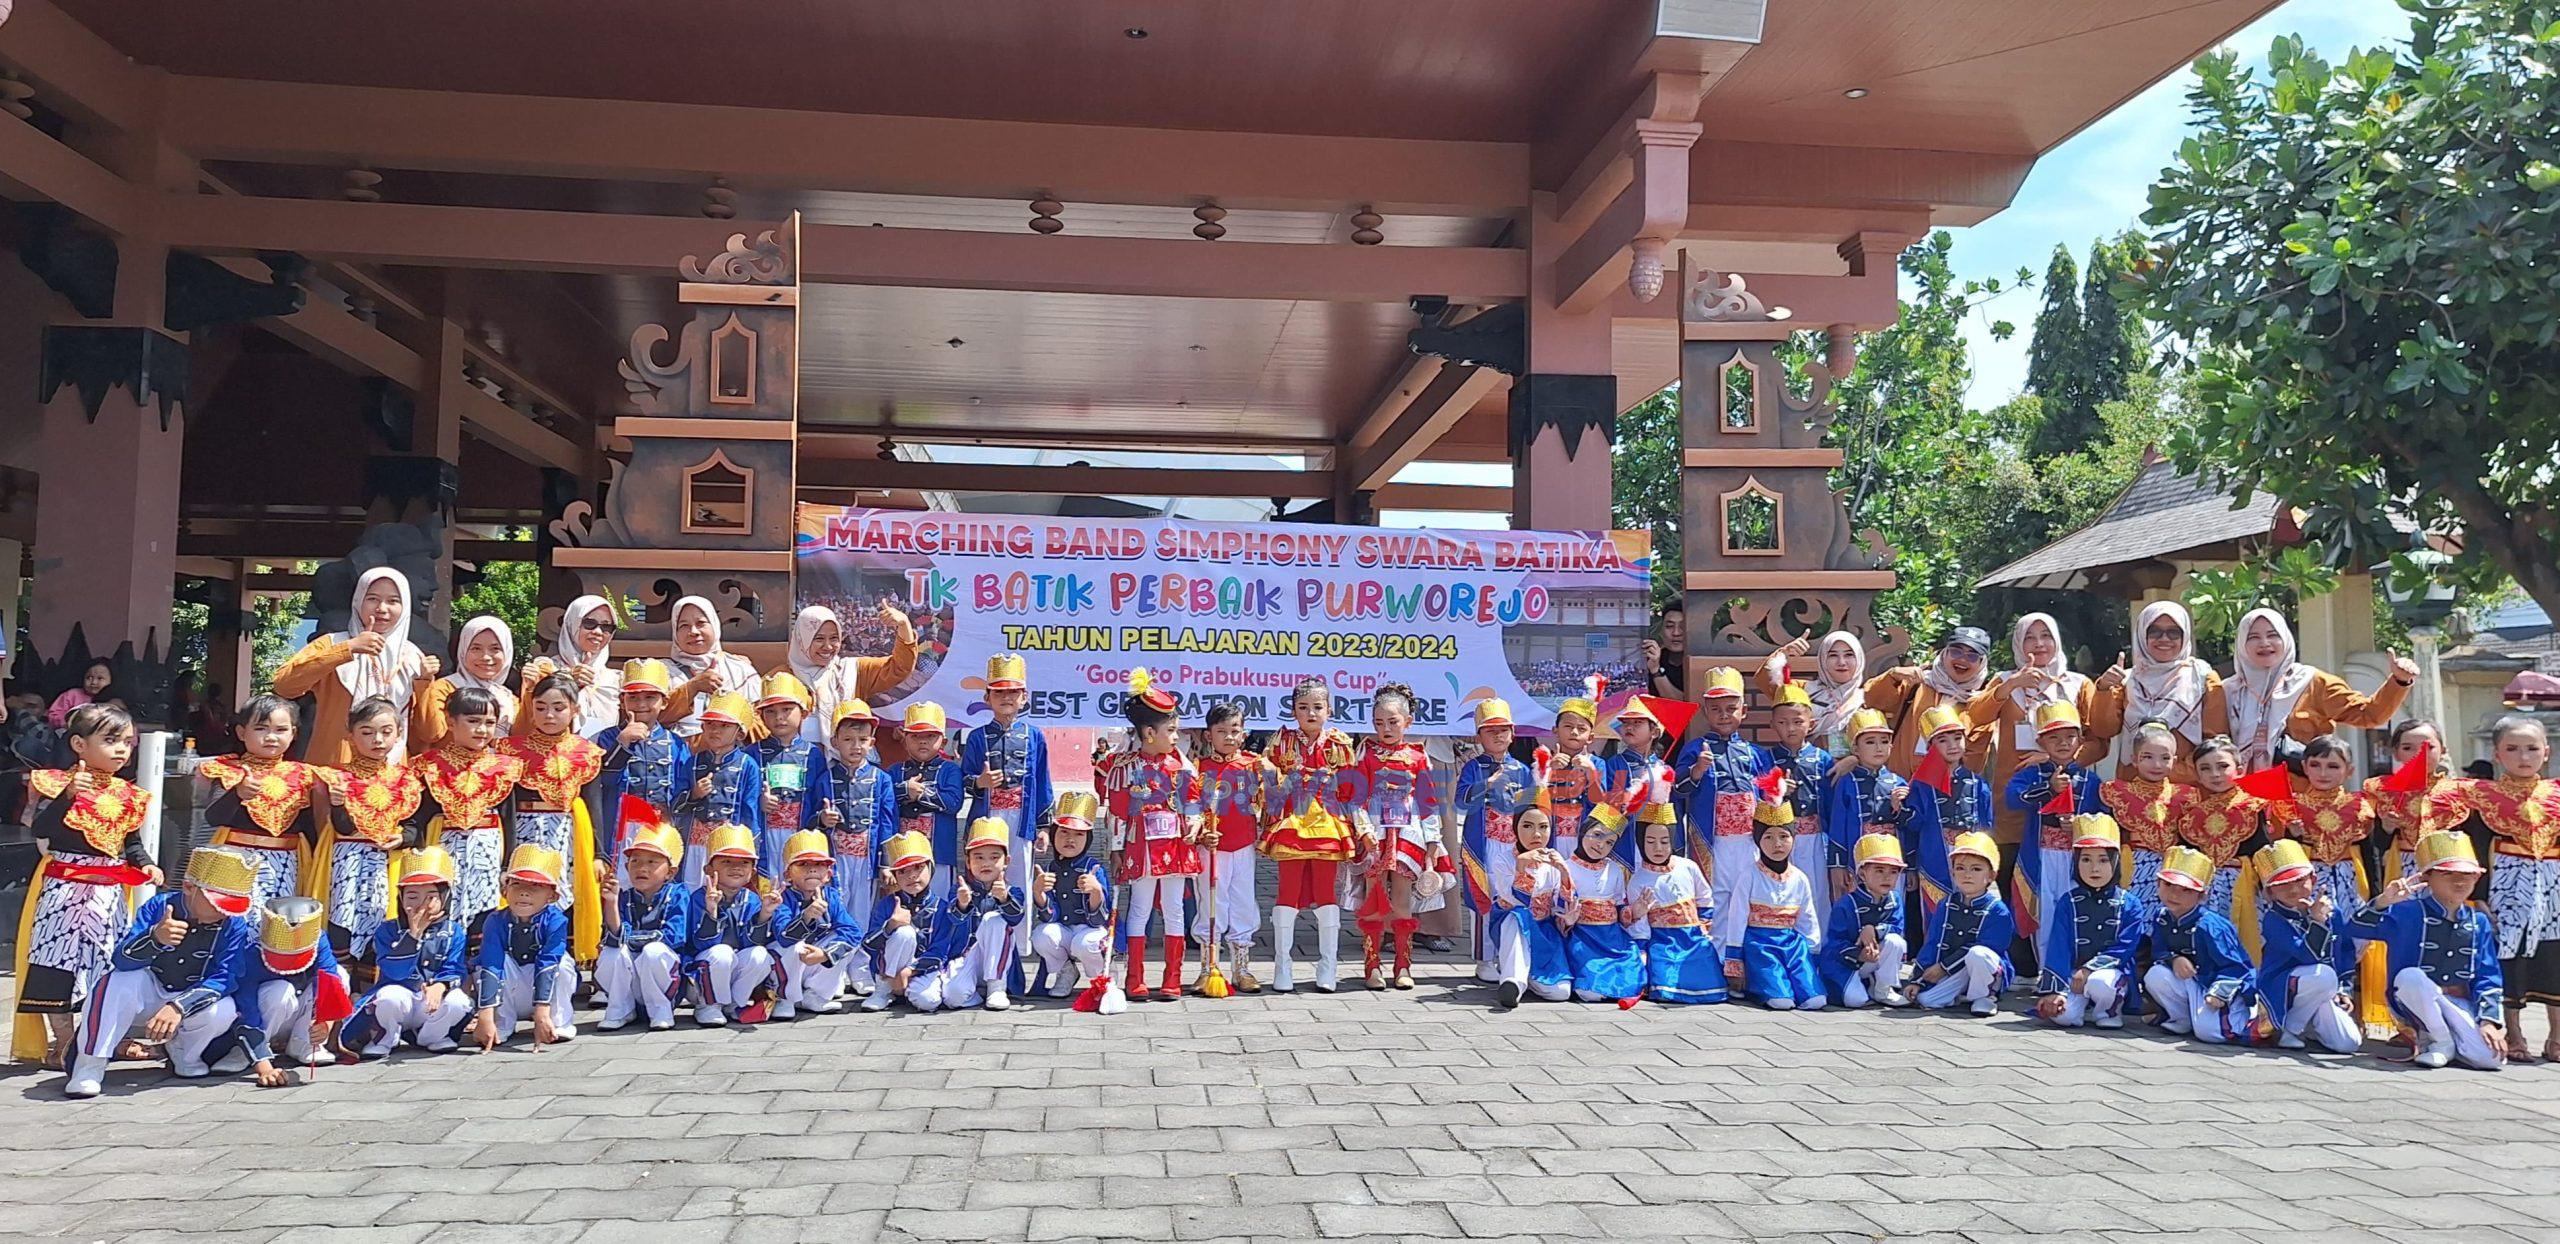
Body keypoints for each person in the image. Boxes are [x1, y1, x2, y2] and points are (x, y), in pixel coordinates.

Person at [11, 703, 163, 1070]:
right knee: (54, 963)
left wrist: (146, 864)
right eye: (110, 740)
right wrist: (66, 797)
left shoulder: (129, 795)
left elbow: (131, 843)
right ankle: (64, 1042)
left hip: (109, 894)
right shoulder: (55, 782)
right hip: (64, 888)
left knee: (111, 962)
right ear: (79, 744)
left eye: (127, 741)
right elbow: (42, 830)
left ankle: (109, 1035)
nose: (122, 749)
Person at [58, 847, 260, 1098]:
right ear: (188, 887)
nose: (223, 912)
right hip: (147, 994)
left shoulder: (234, 923)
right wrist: (155, 937)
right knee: (116, 981)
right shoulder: (159, 905)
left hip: (189, 1000)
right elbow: (121, 959)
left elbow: (224, 978)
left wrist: (178, 1007)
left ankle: (184, 1053)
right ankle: (89, 1066)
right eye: (216, 902)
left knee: (224, 1009)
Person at [2349, 832, 2505, 1069]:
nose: (2460, 882)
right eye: (2448, 874)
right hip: (2415, 998)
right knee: (2411, 977)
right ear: (2428, 878)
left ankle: (2449, 1040)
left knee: (2490, 1059)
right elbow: (2354, 927)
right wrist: (2382, 902)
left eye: (2467, 875)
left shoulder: (2478, 921)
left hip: (2457, 1002)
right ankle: (2440, 1041)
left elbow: (2488, 974)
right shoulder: (2408, 911)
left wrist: (2488, 1021)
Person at [2458, 716, 2560, 1064]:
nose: (2524, 756)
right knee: (2507, 958)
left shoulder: (2557, 794)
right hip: (2506, 886)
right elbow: (2475, 845)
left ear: (2546, 753)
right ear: (2498, 755)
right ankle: (2513, 1034)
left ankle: (2556, 1036)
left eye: (2532, 748)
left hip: (2553, 885)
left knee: (2554, 956)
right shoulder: (2482, 797)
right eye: (2512, 749)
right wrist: (2478, 894)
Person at [2281, 734, 2391, 1035]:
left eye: (2333, 766)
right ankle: (2303, 1010)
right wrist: (2292, 834)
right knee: (2308, 938)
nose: (2323, 773)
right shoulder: (2290, 805)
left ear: (2349, 770)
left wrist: (2378, 895)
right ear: (2304, 766)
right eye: (2315, 765)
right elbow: (2281, 853)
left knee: (2352, 942)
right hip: (2308, 881)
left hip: (2348, 879)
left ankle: (2345, 1007)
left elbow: (2373, 852)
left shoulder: (2361, 806)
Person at [273, 567, 440, 765]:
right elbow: (284, 686)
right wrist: (348, 649)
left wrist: (424, 683)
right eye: (372, 599)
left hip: (391, 776)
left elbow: (430, 733)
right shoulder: (333, 643)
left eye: (393, 601)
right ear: (357, 601)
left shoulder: (413, 657)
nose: (382, 608)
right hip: (334, 772)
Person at [1107, 669, 1204, 1001]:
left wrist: (1195, 821)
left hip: (1175, 845)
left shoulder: (1182, 766)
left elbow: (1194, 800)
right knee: (1140, 907)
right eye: (1171, 730)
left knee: (1175, 907)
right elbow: (1117, 812)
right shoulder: (1125, 766)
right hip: (1141, 846)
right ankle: (1135, 977)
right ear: (1149, 732)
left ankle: (1172, 978)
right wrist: (1115, 848)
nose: (1176, 737)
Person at [2226, 607, 2416, 773]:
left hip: (2304, 799)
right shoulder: (2228, 692)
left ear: (2286, 639)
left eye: (2273, 635)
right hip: (2240, 801)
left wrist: (2399, 680)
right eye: (2253, 637)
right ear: (2242, 644)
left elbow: (2368, 714)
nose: (2264, 643)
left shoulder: (2313, 683)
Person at [1968, 613, 2099, 853]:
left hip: (2067, 793)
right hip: (2015, 792)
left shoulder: (2078, 684)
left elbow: (2097, 741)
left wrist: (2059, 760)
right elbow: (1975, 716)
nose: (2039, 644)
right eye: (2030, 637)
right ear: (2018, 643)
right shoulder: (2005, 680)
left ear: (2057, 641)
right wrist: (2011, 686)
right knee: (2013, 869)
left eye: (2046, 636)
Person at [500, 674, 608, 965]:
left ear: (574, 709)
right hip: (525, 829)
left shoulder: (587, 753)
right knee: (524, 888)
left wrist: (599, 854)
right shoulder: (511, 751)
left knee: (563, 893)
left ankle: (560, 961)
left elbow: (594, 805)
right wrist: (506, 854)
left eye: (558, 707)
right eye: (541, 706)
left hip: (567, 833)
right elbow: (506, 808)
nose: (549, 715)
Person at [1261, 677, 1358, 993]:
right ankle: (1282, 967)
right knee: (1287, 891)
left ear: (1329, 709)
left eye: (1317, 707)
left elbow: (1351, 787)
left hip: (1327, 824)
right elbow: (1267, 777)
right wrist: (1284, 781)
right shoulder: (1281, 740)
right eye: (1303, 708)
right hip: (1292, 822)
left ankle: (1327, 967)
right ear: (1293, 711)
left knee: (1325, 891)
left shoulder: (1340, 743)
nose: (1311, 713)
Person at [960, 653, 1051, 986]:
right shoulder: (976, 737)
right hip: (988, 817)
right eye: (999, 692)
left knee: (1018, 878)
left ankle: (1018, 949)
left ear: (1024, 696)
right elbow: (962, 780)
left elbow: (1042, 782)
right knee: (984, 879)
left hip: (1021, 818)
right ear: (987, 698)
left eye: (1013, 692)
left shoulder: (1035, 736)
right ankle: (983, 944)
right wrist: (979, 783)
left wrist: (1042, 826)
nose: (1007, 698)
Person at [312, 697, 426, 959]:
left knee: (384, 917)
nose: (378, 740)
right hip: (347, 858)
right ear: (351, 736)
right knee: (342, 916)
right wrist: (338, 803)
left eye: (386, 732)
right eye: (367, 732)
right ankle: (341, 981)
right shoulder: (338, 776)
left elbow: (414, 827)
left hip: (388, 860)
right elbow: (342, 826)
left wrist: (400, 837)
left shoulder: (407, 780)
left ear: (398, 734)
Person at [408, 688, 526, 935]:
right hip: (443, 849)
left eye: (489, 723)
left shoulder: (504, 767)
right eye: (473, 721)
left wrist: (508, 866)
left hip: (488, 851)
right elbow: (420, 818)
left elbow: (509, 819)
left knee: (484, 918)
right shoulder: (430, 765)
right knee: (440, 912)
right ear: (450, 721)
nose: (482, 730)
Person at [339, 846, 473, 1057]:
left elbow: (455, 967)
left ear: (444, 897)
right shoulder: (387, 931)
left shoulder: (453, 931)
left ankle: (431, 1036)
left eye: (430, 897)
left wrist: (441, 985)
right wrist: (413, 935)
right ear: (401, 899)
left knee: (458, 1002)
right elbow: (395, 972)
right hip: (401, 1000)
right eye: (412, 896)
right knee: (390, 997)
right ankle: (385, 1037)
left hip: (431, 1004)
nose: (420, 904)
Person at [1353, 683, 1443, 991]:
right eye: (1379, 723)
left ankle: (1403, 966)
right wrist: (1364, 830)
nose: (1386, 728)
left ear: (1408, 722)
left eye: (1393, 722)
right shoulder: (1365, 753)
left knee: (1403, 903)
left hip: (1407, 835)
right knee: (1374, 901)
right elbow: (1356, 797)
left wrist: (1432, 844)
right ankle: (1372, 967)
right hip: (1375, 834)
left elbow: (1428, 802)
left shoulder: (1418, 756)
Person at [195, 693, 323, 910]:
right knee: (236, 923)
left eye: (280, 730)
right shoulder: (229, 770)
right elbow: (213, 817)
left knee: (277, 922)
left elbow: (309, 827)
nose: (271, 737)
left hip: (286, 863)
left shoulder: (304, 775)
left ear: (294, 733)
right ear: (242, 732)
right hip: (236, 859)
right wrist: (238, 793)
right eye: (261, 728)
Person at [1672, 667, 1776, 926]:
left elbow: (1769, 795)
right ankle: (1715, 957)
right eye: (1716, 709)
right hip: (1712, 839)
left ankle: (1746, 953)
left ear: (1744, 711)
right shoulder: (1695, 748)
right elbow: (1678, 791)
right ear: (1705, 711)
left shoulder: (1756, 753)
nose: (1724, 715)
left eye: (1731, 708)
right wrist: (1697, 770)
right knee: (1714, 898)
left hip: (1749, 840)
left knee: (1750, 895)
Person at [2005, 702, 2107, 953]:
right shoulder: (2032, 774)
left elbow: (2103, 820)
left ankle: (2071, 970)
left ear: (2080, 740)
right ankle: (2046, 971)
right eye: (2054, 737)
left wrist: (2079, 827)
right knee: (2044, 911)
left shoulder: (2090, 779)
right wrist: (2048, 788)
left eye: (2070, 737)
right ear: (2041, 742)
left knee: (2074, 909)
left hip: (2076, 858)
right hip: (2041, 855)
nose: (2063, 743)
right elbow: (2012, 799)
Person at [213, 896, 348, 1077]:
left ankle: (304, 1042)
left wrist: (325, 1022)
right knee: (280, 990)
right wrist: (258, 1055)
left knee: (341, 974)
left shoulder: (319, 938)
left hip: (299, 1008)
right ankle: (248, 1050)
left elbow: (329, 980)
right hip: (267, 1012)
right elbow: (246, 1002)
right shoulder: (250, 948)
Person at [2091, 602, 2228, 780]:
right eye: (2154, 631)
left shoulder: (2202, 677)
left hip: (2187, 788)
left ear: (2185, 636)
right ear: (2142, 635)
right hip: (2134, 786)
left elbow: (2215, 740)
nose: (2164, 639)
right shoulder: (2126, 680)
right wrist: (2103, 689)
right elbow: (2103, 730)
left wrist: (2175, 772)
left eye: (2173, 632)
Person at [1194, 702, 1276, 994]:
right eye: (1221, 731)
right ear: (1208, 735)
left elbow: (1274, 798)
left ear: (1243, 734)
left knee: (1243, 902)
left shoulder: (1253, 765)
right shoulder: (1198, 768)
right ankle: (1208, 968)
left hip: (1243, 845)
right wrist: (1202, 834)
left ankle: (1242, 968)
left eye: (1234, 731)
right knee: (1211, 904)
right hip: (1211, 847)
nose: (1228, 737)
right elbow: (1189, 809)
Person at [2251, 839, 2362, 1053]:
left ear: (2313, 878)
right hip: (2283, 989)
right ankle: (2288, 1029)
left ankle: (2308, 1024)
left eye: (2300, 881)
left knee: (2348, 1043)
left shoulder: (2333, 910)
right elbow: (2307, 956)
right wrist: (2317, 922)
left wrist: (2344, 989)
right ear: (2270, 892)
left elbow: (2344, 951)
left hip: (2324, 987)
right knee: (2323, 975)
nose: (2293, 889)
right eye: (2283, 885)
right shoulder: (2273, 920)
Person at [2033, 816, 2143, 1029]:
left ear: (2116, 862)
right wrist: (2053, 991)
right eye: (2086, 860)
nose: (2094, 869)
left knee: (2101, 983)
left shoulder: (2130, 903)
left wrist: (2089, 969)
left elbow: (2125, 948)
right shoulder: (2068, 901)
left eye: (2103, 860)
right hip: (2073, 977)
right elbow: (2059, 946)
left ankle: (2108, 1010)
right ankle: (2077, 1005)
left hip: (2109, 974)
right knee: (2062, 1016)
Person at [1457, 699, 1538, 983]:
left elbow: (1530, 807)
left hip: (1513, 845)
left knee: (1512, 897)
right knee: (1483, 899)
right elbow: (1460, 800)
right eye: (1490, 731)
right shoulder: (1473, 767)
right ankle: (1483, 958)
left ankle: (1509, 955)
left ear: (1513, 733)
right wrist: (1487, 784)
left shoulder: (1522, 769)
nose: (1498, 736)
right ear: (1479, 736)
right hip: (1483, 844)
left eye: (1503, 730)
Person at [2144, 845, 2259, 1045]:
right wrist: (2174, 959)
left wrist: (2219, 993)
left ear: (2202, 895)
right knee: (2155, 975)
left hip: (2219, 984)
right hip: (2194, 981)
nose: (2175, 895)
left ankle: (2249, 1019)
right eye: (2168, 885)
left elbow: (2235, 967)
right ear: (2157, 884)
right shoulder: (2161, 917)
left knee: (2210, 1034)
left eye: (2186, 890)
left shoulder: (2211, 926)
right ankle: (2182, 1018)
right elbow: (2158, 949)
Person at [816, 699, 896, 978]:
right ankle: (833, 973)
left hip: (865, 858)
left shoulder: (881, 779)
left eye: (862, 739)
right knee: (836, 912)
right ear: (835, 741)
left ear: (872, 742)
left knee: (862, 913)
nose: (855, 746)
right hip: (835, 858)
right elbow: (811, 820)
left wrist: (886, 864)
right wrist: (822, 821)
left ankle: (861, 971)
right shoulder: (824, 778)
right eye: (848, 739)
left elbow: (887, 823)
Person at [469, 844, 578, 1049]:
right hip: (511, 991)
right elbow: (492, 964)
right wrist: (485, 1014)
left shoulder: (556, 921)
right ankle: (501, 1022)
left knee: (562, 964)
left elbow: (548, 962)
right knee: (488, 964)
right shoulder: (494, 920)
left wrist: (541, 1011)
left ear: (552, 896)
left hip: (543, 991)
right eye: (517, 884)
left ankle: (559, 1020)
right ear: (505, 890)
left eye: (535, 887)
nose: (524, 893)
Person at [1721, 800, 1825, 1011]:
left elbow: (1808, 919)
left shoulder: (1799, 878)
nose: (1777, 844)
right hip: (1760, 946)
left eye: (1784, 836)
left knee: (1816, 1000)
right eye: (1768, 837)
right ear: (1758, 841)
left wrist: (1812, 953)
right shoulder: (1749, 876)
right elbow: (1737, 919)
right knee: (1781, 1002)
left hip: (1793, 945)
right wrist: (1735, 963)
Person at [593, 812, 691, 1031]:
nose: (641, 868)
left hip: (663, 979)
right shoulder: (624, 897)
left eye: (651, 862)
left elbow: (673, 937)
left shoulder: (678, 894)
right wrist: (610, 903)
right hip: (630, 980)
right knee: (610, 953)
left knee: (654, 951)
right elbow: (614, 938)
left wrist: (631, 939)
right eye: (635, 861)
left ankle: (661, 1010)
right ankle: (620, 1008)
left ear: (670, 872)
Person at [1855, 626, 1994, 778]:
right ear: (1944, 653)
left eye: (1972, 656)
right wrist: (1892, 676)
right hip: (1898, 785)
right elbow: (1872, 701)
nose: (1962, 659)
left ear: (1982, 663)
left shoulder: (1980, 704)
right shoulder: (1916, 683)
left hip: (1942, 794)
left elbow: (1974, 761)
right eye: (1956, 651)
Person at [595, 658, 691, 872]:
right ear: (622, 700)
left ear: (664, 702)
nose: (641, 705)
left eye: (650, 697)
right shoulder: (607, 738)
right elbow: (602, 782)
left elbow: (682, 789)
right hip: (619, 827)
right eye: (634, 697)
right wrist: (622, 744)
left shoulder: (675, 743)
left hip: (660, 828)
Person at [785, 600, 921, 747]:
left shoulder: (852, 671)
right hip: (799, 765)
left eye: (834, 638)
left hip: (847, 765)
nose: (828, 646)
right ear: (801, 640)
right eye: (818, 639)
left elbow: (900, 667)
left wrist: (903, 625)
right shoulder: (783, 679)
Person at [2099, 722, 2193, 931]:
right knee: (2131, 922)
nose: (2157, 764)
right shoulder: (2119, 792)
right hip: (2134, 865)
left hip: (2172, 868)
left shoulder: (2186, 795)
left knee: (2168, 924)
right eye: (2148, 757)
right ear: (2134, 759)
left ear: (2174, 760)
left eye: (2165, 758)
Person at [1904, 703, 1994, 920]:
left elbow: (1986, 827)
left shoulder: (1977, 783)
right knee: (1936, 917)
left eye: (1957, 738)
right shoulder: (1921, 785)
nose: (1952, 745)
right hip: (1934, 855)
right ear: (1930, 747)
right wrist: (1902, 809)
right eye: (1942, 740)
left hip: (1969, 856)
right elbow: (1913, 828)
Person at [1628, 805, 1724, 1004]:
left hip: (1693, 937)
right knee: (1664, 986)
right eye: (1650, 841)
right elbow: (1641, 928)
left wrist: (1704, 929)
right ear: (1640, 842)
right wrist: (1642, 952)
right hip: (1663, 942)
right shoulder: (1638, 880)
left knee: (1707, 965)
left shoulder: (1688, 866)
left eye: (1664, 841)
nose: (1658, 848)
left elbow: (1705, 898)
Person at [1915, 832, 2016, 1015]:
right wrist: (1918, 979)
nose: (1967, 875)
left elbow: (1990, 947)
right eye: (1960, 868)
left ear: (1991, 875)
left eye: (1976, 869)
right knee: (1925, 999)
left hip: (1985, 968)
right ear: (1952, 872)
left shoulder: (1998, 910)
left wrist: (1943, 967)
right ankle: (1962, 992)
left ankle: (1985, 995)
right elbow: (1932, 942)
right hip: (1956, 969)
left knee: (1978, 954)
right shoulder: (1945, 904)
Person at [687, 823, 777, 1026]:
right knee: (721, 952)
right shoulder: (698, 897)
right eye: (726, 861)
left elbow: (752, 942)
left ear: (752, 870)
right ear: (709, 869)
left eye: (744, 862)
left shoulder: (752, 899)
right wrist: (712, 910)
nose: (736, 867)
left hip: (733, 971)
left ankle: (734, 1004)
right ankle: (708, 1005)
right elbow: (701, 944)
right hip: (700, 976)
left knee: (760, 955)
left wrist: (765, 913)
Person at [936, 817, 1029, 1011]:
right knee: (953, 997)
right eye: (978, 857)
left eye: (994, 857)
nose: (986, 863)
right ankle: (977, 993)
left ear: (1006, 862)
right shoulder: (960, 890)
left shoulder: (1013, 891)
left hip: (1000, 962)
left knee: (994, 919)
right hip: (967, 956)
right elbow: (952, 919)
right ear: (968, 862)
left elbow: (1016, 918)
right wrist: (962, 903)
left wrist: (1003, 898)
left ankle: (996, 986)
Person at [769, 830, 864, 1019]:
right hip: (781, 969)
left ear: (828, 874)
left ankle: (815, 994)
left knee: (847, 942)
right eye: (803, 864)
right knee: (793, 945)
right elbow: (783, 937)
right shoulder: (782, 898)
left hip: (814, 962)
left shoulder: (831, 897)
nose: (812, 870)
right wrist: (806, 917)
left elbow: (853, 932)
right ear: (788, 874)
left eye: (819, 865)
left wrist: (825, 954)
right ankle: (785, 998)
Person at [2175, 737, 2269, 924]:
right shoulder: (2193, 814)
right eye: (2206, 769)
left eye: (2222, 766)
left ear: (2239, 770)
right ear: (2198, 776)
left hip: (2245, 883)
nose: (2215, 774)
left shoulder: (2252, 805)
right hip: (2207, 885)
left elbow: (2262, 849)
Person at [1488, 807, 1573, 1010]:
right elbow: (1515, 898)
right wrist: (1520, 867)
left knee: (1560, 992)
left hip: (1543, 932)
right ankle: (1513, 981)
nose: (1536, 834)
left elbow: (1560, 907)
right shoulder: (1503, 859)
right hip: (1512, 925)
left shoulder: (1554, 861)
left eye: (1543, 827)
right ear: (1515, 829)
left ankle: (1528, 976)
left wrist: (1563, 873)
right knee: (1517, 916)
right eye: (1527, 826)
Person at [1031, 792, 1114, 998]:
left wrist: (1095, 891)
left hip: (1089, 933)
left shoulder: (1093, 868)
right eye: (1064, 832)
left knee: (1084, 943)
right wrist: (1038, 892)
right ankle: (1066, 971)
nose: (1070, 839)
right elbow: (1050, 917)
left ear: (1087, 839)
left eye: (1078, 834)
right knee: (1041, 935)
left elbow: (1101, 920)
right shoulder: (1050, 868)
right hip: (1065, 932)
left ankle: (1101, 980)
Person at [1557, 805, 1643, 1004]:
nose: (1600, 845)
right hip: (1582, 938)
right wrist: (1567, 922)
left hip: (1613, 939)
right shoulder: (1566, 868)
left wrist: (1634, 912)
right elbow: (1557, 911)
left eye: (1609, 842)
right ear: (1583, 831)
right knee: (1590, 991)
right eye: (1596, 835)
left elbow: (1620, 906)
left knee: (1632, 972)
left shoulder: (1614, 869)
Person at [680, 692, 766, 888]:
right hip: (694, 843)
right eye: (710, 724)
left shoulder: (748, 765)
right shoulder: (693, 762)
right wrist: (694, 795)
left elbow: (750, 810)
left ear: (740, 733)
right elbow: (677, 806)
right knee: (692, 886)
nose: (715, 731)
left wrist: (750, 848)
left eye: (724, 726)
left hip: (728, 845)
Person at [1823, 708, 1908, 905]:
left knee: (1893, 906)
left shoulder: (1899, 783)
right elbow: (1838, 827)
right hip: (1858, 859)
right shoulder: (1847, 782)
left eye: (1884, 741)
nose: (1879, 748)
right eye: (1870, 742)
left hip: (1892, 858)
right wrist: (1838, 865)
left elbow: (1908, 830)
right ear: (1855, 749)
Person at [752, 673, 835, 877]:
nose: (779, 717)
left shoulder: (814, 755)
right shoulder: (752, 754)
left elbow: (818, 800)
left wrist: (821, 818)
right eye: (770, 711)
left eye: (787, 710)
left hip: (800, 834)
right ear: (761, 716)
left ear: (804, 713)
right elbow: (742, 797)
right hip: (765, 836)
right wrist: (758, 802)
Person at [1820, 832, 1910, 1008]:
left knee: (1896, 942)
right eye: (1879, 870)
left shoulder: (1895, 899)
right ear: (1862, 873)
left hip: (1874, 959)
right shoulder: (1846, 904)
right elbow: (1834, 943)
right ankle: (1865, 984)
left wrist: (1873, 930)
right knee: (1855, 1001)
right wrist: (1859, 954)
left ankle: (1883, 989)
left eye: (1893, 872)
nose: (1887, 877)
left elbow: (1897, 928)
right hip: (1845, 963)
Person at [2367, 720, 2465, 878]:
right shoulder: (2380, 791)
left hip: (2449, 868)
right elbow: (2370, 847)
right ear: (2396, 753)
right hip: (2400, 869)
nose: (2419, 754)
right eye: (2407, 748)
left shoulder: (2461, 792)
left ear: (2443, 750)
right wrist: (2386, 828)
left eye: (2429, 747)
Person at [861, 830, 942, 1012]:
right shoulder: (887, 905)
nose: (912, 876)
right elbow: (868, 945)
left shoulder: (941, 906)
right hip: (887, 971)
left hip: (923, 970)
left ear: (931, 868)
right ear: (895, 876)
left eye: (918, 868)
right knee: (904, 932)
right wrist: (891, 926)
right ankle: (884, 989)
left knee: (928, 1002)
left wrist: (910, 971)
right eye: (903, 871)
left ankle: (906, 989)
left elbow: (941, 951)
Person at [522, 594, 623, 737]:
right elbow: (527, 722)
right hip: (554, 755)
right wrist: (571, 684)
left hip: (601, 755)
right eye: (589, 623)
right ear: (572, 624)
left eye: (606, 626)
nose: (598, 632)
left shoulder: (616, 679)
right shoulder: (545, 669)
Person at [893, 702, 965, 900]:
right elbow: (884, 800)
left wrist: (922, 793)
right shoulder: (895, 771)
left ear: (943, 741)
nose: (922, 742)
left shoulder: (950, 770)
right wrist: (904, 790)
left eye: (930, 736)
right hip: (901, 854)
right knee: (902, 902)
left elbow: (953, 803)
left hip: (939, 853)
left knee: (939, 901)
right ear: (904, 739)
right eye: (915, 736)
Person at [664, 595, 762, 738]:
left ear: (714, 625)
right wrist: (692, 687)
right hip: (675, 756)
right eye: (683, 626)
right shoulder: (663, 671)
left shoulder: (740, 670)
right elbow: (652, 716)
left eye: (701, 623)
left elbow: (760, 724)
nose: (693, 632)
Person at [416, 615, 519, 746]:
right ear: (463, 651)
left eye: (495, 649)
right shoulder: (445, 688)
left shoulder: (508, 697)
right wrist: (424, 683)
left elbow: (522, 736)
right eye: (476, 648)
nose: (486, 657)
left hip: (500, 765)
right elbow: (431, 733)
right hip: (450, 765)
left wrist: (530, 690)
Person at [1763, 631, 1867, 754]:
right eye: (1833, 655)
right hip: (1809, 766)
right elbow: (1767, 681)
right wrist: (1783, 654)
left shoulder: (1868, 695)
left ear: (1859, 658)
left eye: (1849, 655)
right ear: (1822, 659)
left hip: (1855, 770)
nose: (1841, 662)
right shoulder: (1803, 690)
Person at [1542, 681, 1612, 859]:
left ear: (1591, 737)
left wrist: (1591, 773)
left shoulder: (1598, 763)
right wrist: (1548, 771)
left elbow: (1601, 804)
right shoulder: (1544, 762)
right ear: (1555, 730)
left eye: (1581, 728)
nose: (1574, 732)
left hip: (1583, 836)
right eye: (1568, 726)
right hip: (1551, 838)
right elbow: (1532, 801)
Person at [44, 660, 112, 730]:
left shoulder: (113, 699)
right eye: (89, 677)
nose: (93, 682)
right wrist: (66, 724)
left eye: (100, 678)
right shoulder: (72, 695)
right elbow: (54, 713)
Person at [1643, 604, 1687, 698]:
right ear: (1661, 631)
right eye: (1669, 626)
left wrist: (1656, 671)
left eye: (1683, 626)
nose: (1676, 633)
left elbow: (1685, 705)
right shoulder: (1652, 658)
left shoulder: (1701, 663)